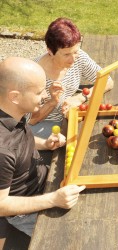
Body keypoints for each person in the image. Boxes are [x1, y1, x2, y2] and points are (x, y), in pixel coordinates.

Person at [0, 57, 85, 237]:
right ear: (14, 96)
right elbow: (1, 205)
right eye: (39, 92)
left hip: (42, 180)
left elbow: (19, 141)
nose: (46, 96)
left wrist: (44, 144)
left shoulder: (12, 109)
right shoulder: (2, 150)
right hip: (26, 210)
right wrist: (53, 199)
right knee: (75, 237)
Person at [29, 17, 114, 139]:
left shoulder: (79, 57)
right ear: (50, 51)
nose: (73, 59)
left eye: (75, 52)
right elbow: (31, 120)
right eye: (66, 54)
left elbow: (107, 81)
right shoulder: (34, 74)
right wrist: (53, 102)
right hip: (41, 125)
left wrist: (81, 97)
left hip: (68, 117)